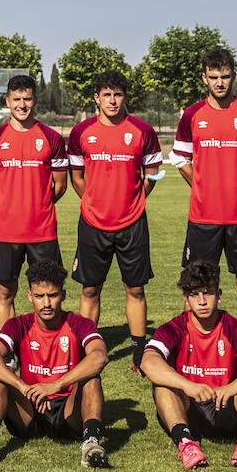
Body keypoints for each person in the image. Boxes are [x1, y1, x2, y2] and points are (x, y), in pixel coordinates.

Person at [0, 260, 109, 468]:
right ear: (30, 296)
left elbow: (99, 356)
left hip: (68, 410)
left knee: (92, 378)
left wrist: (56, 385)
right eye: (39, 296)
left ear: (63, 295)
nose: (46, 303)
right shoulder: (19, 324)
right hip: (29, 408)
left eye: (52, 295)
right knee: (0, 374)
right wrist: (24, 387)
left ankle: (90, 443)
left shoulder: (79, 324)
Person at [141, 260, 237, 469]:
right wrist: (188, 386)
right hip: (189, 409)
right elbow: (148, 362)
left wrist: (235, 385)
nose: (202, 301)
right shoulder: (174, 328)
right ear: (186, 300)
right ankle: (186, 443)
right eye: (195, 295)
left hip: (227, 406)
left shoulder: (234, 327)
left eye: (208, 293)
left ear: (219, 295)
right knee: (162, 383)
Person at [67, 70, 162, 371]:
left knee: (135, 289)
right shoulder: (81, 131)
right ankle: (86, 350)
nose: (112, 100)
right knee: (90, 289)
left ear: (125, 97)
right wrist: (93, 199)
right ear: (96, 98)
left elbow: (154, 172)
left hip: (132, 223)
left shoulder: (142, 130)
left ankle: (138, 352)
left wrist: (136, 197)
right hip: (93, 223)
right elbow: (77, 177)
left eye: (117, 94)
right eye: (106, 95)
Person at [171, 47, 237, 332]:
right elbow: (180, 158)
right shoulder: (192, 114)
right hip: (203, 217)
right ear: (204, 78)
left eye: (225, 77)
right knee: (196, 285)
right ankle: (191, 348)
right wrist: (202, 184)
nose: (220, 83)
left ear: (234, 76)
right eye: (214, 77)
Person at [0, 74, 68, 330]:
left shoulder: (50, 137)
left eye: (27, 99)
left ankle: (46, 344)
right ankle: (7, 348)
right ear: (7, 101)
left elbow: (60, 185)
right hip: (7, 232)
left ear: (35, 101)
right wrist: (12, 205)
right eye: (17, 99)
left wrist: (38, 206)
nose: (22, 105)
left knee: (49, 293)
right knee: (6, 291)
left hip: (42, 232)